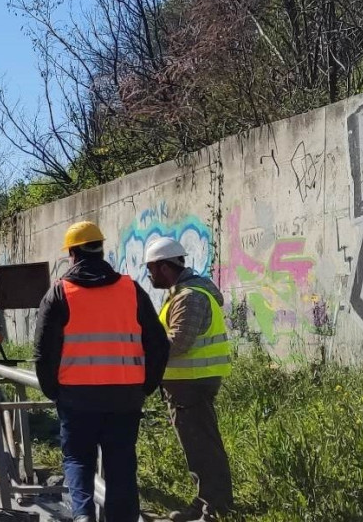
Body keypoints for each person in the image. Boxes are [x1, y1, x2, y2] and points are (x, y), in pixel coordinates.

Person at [34, 221, 170, 522]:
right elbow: (159, 344)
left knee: (78, 460)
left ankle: (83, 516)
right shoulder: (130, 289)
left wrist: (52, 390)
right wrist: (146, 385)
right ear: (101, 249)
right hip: (125, 397)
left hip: (76, 397)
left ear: (72, 253)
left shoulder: (59, 293)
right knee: (121, 465)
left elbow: (44, 352)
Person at [145, 237, 233, 521]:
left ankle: (215, 508)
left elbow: (177, 343)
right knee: (197, 446)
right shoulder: (182, 293)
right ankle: (206, 501)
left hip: (191, 383)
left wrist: (140, 350)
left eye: (151, 268)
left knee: (203, 446)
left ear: (163, 267)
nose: (149, 274)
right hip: (187, 382)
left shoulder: (190, 297)